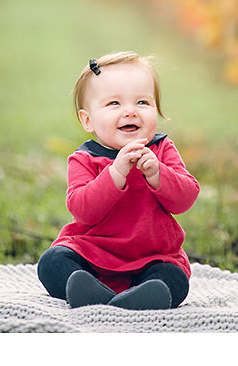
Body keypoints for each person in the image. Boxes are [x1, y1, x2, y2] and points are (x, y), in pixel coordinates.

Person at [37, 52, 200, 310]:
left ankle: (143, 295)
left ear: (156, 110)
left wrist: (159, 174)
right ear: (87, 119)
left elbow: (186, 198)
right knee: (52, 262)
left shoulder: (161, 150)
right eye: (114, 103)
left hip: (151, 259)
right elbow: (82, 210)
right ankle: (90, 291)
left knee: (174, 279)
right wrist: (115, 174)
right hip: (92, 256)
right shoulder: (85, 159)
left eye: (143, 102)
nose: (130, 112)